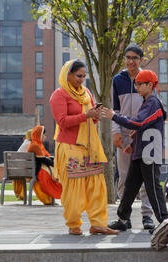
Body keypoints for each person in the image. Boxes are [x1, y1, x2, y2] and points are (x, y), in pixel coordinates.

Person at [50, 59, 118, 236]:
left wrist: (94, 115)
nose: (81, 80)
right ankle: (74, 224)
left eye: (84, 76)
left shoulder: (86, 92)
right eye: (78, 76)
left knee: (96, 185)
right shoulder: (59, 95)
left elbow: (91, 118)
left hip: (89, 146)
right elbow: (62, 122)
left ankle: (98, 224)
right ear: (68, 74)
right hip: (70, 146)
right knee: (75, 188)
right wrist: (85, 116)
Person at [102, 69, 168, 231]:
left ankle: (165, 221)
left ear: (150, 85)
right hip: (140, 153)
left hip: (149, 154)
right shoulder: (147, 103)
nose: (137, 86)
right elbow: (142, 127)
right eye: (136, 83)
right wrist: (132, 145)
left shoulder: (152, 102)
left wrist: (114, 116)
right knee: (130, 186)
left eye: (140, 84)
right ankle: (123, 219)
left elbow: (138, 123)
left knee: (153, 187)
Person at [112, 44, 154, 230]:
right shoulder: (117, 80)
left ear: (141, 60)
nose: (131, 61)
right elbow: (115, 109)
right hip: (123, 133)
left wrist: (139, 127)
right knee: (124, 176)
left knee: (146, 176)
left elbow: (152, 107)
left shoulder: (147, 79)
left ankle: (147, 216)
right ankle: (124, 217)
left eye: (135, 58)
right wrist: (115, 131)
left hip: (143, 133)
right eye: (128, 57)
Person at [26, 125, 62, 204]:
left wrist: (52, 161)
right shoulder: (35, 145)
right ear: (39, 135)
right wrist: (53, 162)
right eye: (44, 135)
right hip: (37, 171)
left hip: (34, 169)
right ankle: (51, 198)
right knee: (53, 175)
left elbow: (46, 157)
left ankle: (50, 199)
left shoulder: (37, 144)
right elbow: (43, 159)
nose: (45, 137)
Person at [13, 129, 33, 200]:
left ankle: (21, 195)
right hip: (23, 171)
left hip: (15, 171)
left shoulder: (25, 143)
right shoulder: (30, 144)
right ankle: (47, 197)